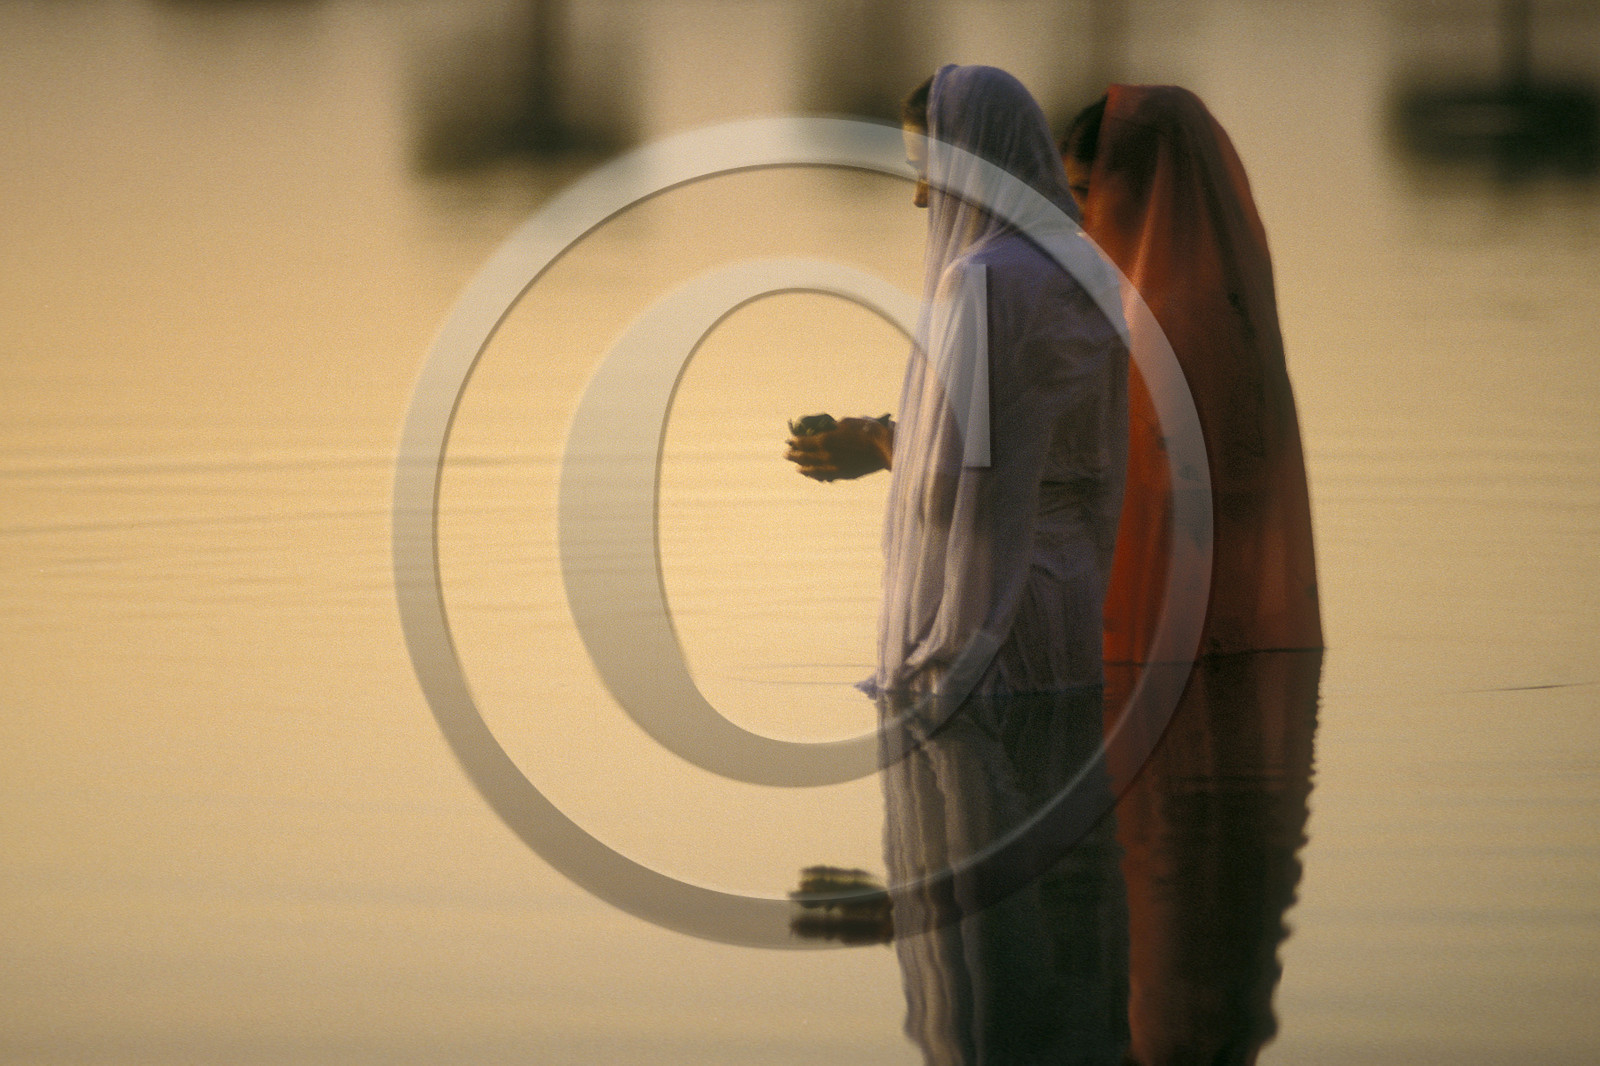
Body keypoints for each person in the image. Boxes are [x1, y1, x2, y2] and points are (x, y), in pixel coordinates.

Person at [787, 64, 1129, 699]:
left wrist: (875, 442)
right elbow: (1086, 459)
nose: (920, 196)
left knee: (966, 760)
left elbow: (953, 490)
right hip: (1070, 597)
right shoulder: (1093, 268)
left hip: (988, 612)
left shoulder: (979, 281)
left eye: (928, 171)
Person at [1062, 86, 1324, 662]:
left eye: (1087, 193)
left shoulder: (1170, 318)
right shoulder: (1218, 303)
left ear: (1151, 194)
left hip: (1172, 598)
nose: (1079, 217)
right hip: (1222, 596)